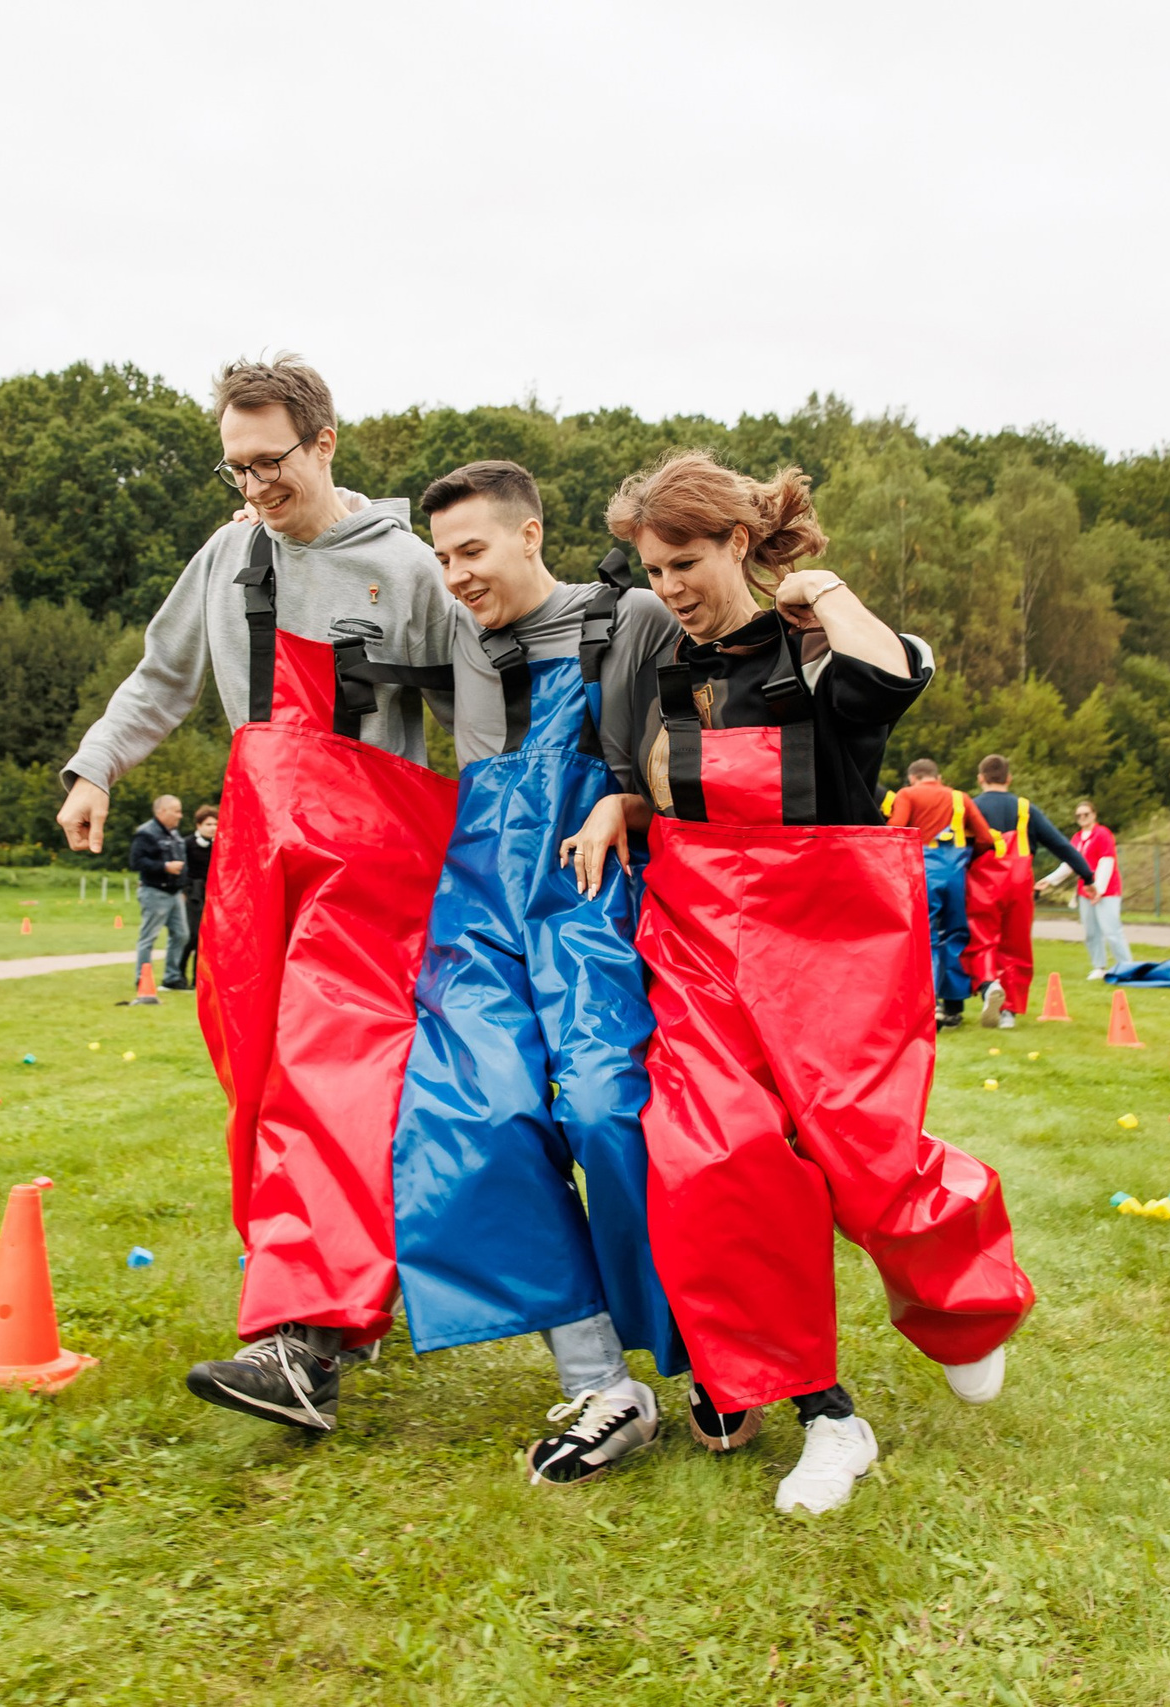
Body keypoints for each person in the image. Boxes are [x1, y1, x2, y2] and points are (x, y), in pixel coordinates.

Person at [565, 451, 1035, 1516]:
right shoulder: (653, 663)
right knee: (711, 1158)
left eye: (685, 560)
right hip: (693, 939)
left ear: (736, 541)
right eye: (653, 567)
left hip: (831, 935)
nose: (669, 586)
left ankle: (966, 1307)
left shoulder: (817, 645)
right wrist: (620, 808)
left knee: (865, 1159)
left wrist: (817, 589)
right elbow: (665, 790)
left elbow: (893, 678)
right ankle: (825, 1414)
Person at [57, 354, 458, 1432]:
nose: (253, 488)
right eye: (235, 470)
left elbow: (485, 705)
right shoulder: (228, 556)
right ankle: (313, 1292)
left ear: (325, 443)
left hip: (370, 850)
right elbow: (160, 676)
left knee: (328, 1066)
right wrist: (95, 768)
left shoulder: (410, 570)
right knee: (255, 1067)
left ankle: (308, 1338)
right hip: (254, 841)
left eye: (269, 463)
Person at [387, 460, 684, 1488]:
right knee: (470, 1120)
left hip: (589, 899)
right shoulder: (449, 630)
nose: (455, 575)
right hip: (475, 911)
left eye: (471, 551)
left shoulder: (632, 615)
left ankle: (713, 1349)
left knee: (607, 1111)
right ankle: (605, 1384)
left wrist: (628, 807)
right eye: (441, 558)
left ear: (529, 535)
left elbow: (689, 758)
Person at [962, 754, 1096, 1028]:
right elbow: (1060, 844)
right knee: (1016, 946)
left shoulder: (971, 807)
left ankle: (989, 986)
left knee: (982, 940)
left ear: (980, 778)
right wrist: (1087, 875)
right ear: (1009, 778)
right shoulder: (1026, 809)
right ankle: (1008, 1011)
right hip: (1019, 884)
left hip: (981, 885)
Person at [885, 757, 985, 1029]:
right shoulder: (959, 798)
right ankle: (953, 1008)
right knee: (955, 935)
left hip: (923, 872)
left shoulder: (908, 794)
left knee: (924, 937)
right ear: (937, 777)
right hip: (955, 873)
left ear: (913, 778)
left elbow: (896, 828)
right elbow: (986, 837)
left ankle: (929, 1006)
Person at [1037, 799, 1133, 977]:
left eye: (1086, 814)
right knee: (1091, 932)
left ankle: (1126, 967)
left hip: (1107, 891)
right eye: (1079, 815)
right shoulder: (1077, 838)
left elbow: (1107, 862)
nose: (1082, 818)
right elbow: (1070, 864)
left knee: (1111, 930)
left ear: (1094, 815)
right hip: (1084, 892)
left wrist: (1099, 889)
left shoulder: (1103, 834)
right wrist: (1049, 880)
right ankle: (1099, 967)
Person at [128, 794, 191, 992]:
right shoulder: (146, 833)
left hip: (175, 893)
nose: (180, 815)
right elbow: (136, 862)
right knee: (149, 937)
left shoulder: (173, 833)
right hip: (154, 891)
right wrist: (165, 867)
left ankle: (172, 978)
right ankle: (142, 978)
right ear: (161, 811)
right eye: (176, 811)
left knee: (181, 934)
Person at [177, 803, 217, 985]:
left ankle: (197, 978)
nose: (213, 828)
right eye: (208, 824)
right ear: (199, 826)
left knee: (206, 937)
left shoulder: (221, 845)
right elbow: (182, 868)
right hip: (192, 892)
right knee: (192, 935)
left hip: (212, 893)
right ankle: (179, 972)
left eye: (215, 824)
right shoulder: (187, 843)